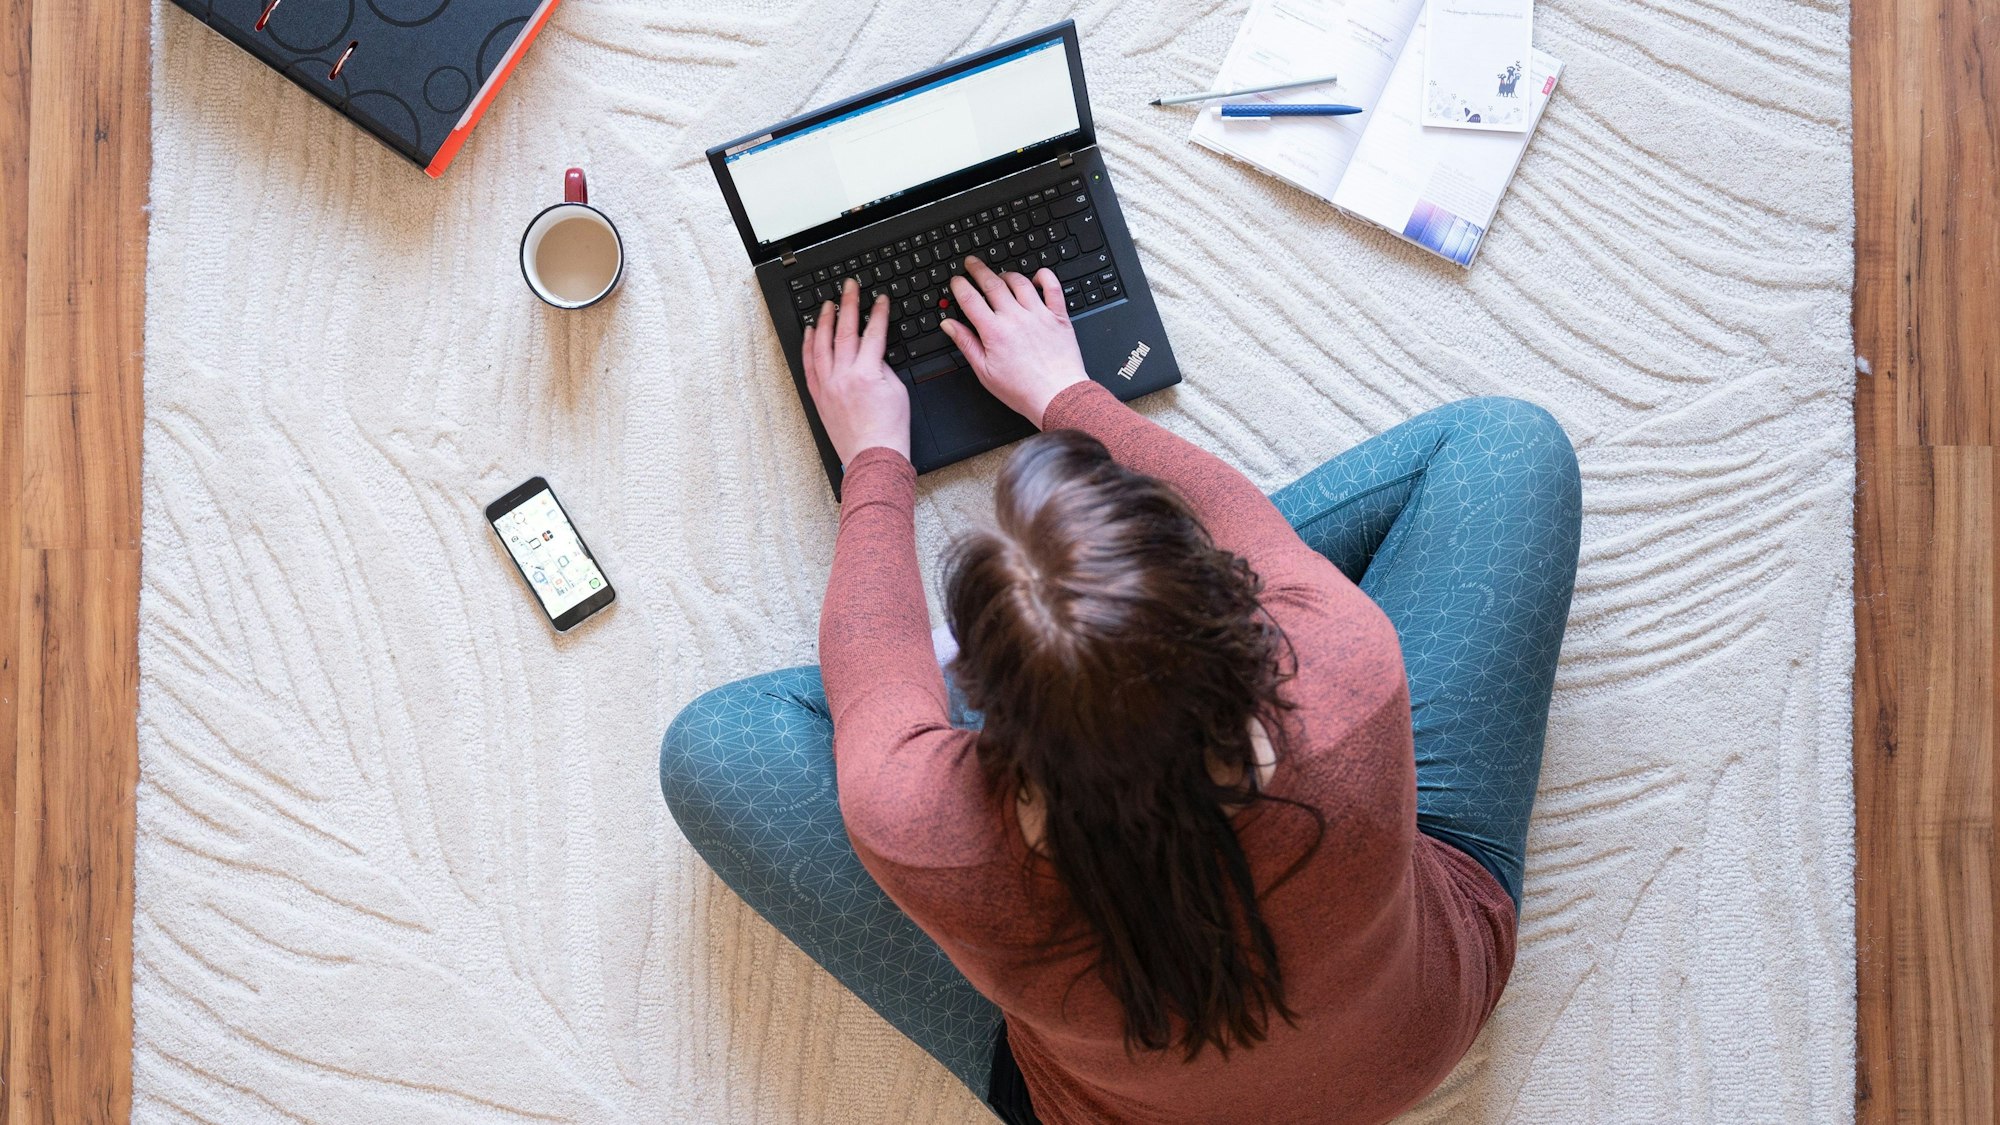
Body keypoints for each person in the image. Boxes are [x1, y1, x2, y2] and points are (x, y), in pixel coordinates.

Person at [660, 259, 1581, 1124]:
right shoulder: (1342, 666)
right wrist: (1067, 393)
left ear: (975, 702)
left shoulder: (925, 824)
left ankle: (1075, 688)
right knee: (1507, 444)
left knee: (712, 743)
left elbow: (877, 673)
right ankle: (1104, 656)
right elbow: (1236, 516)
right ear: (1235, 604)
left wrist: (874, 454)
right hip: (1414, 1034)